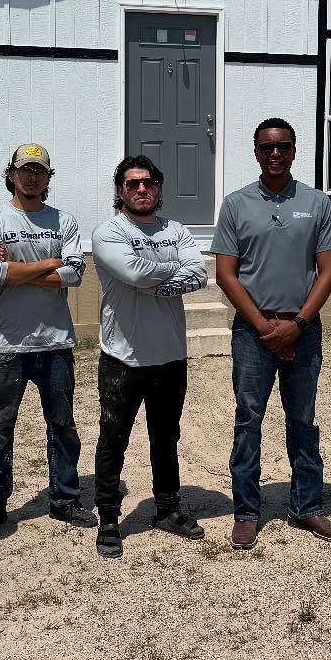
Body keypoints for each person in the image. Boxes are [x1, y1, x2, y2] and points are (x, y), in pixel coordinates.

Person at [210, 117, 331, 550]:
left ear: (293, 150)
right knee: (248, 420)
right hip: (254, 331)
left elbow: (329, 269)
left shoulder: (316, 202)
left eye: (283, 147)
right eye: (267, 147)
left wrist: (298, 324)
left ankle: (307, 506)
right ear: (255, 152)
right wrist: (265, 326)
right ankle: (247, 511)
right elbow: (226, 275)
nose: (275, 154)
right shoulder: (236, 205)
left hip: (303, 328)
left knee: (302, 420)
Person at [0, 143, 95, 539]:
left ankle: (64, 498)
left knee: (61, 424)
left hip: (56, 343)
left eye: (39, 171)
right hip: (7, 345)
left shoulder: (64, 221)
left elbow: (76, 275)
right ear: (11, 175)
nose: (32, 177)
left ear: (47, 178)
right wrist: (51, 261)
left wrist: (19, 268)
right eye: (25, 170)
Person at [90, 155, 209, 559]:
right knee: (113, 439)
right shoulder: (108, 231)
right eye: (131, 184)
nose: (141, 189)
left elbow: (200, 274)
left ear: (159, 187)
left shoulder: (176, 229)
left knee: (166, 437)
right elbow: (136, 274)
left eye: (149, 182)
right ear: (120, 191)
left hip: (170, 357)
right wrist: (172, 267)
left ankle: (167, 508)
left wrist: (156, 274)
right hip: (122, 358)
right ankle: (108, 517)